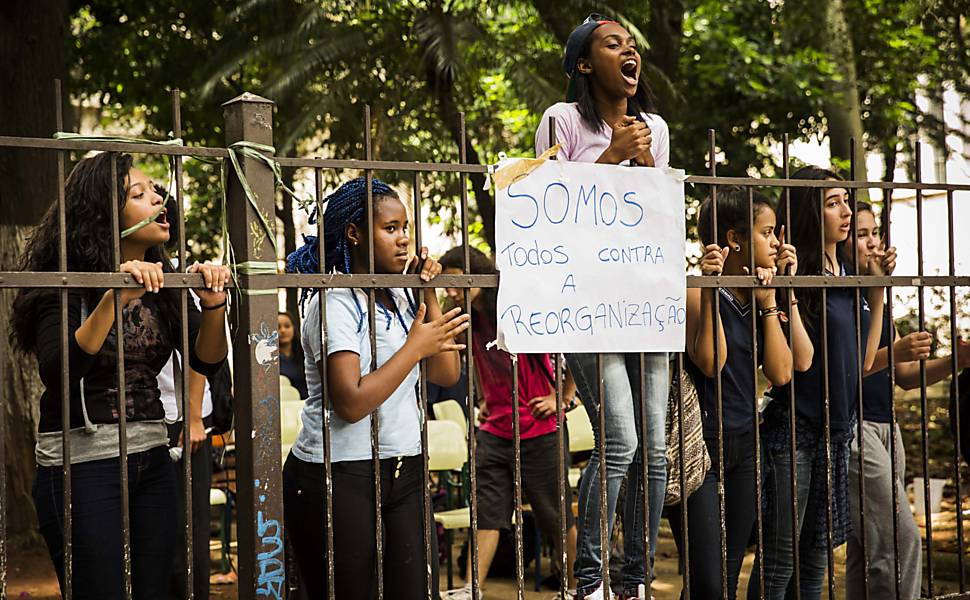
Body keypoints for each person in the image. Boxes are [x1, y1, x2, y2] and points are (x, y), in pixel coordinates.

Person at [10, 152, 230, 600]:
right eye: (139, 193)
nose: (158, 200)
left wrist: (213, 304)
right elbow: (59, 370)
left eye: (155, 191)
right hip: (82, 466)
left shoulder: (165, 280)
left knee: (156, 589)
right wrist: (115, 298)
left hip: (152, 458)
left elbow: (206, 360)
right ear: (103, 212)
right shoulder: (63, 279)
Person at [282, 177, 469, 599]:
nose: (404, 239)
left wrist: (429, 293)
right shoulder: (336, 301)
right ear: (355, 233)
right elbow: (350, 402)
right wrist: (413, 347)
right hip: (340, 469)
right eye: (391, 229)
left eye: (405, 227)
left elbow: (445, 373)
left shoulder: (403, 295)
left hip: (403, 463)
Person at [535, 13, 670, 600]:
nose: (628, 51)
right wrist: (612, 154)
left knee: (657, 449)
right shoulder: (562, 122)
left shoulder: (655, 129)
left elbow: (654, 218)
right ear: (586, 65)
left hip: (642, 302)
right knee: (621, 440)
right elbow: (549, 214)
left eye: (631, 45)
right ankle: (591, 579)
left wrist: (640, 163)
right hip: (585, 307)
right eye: (612, 44)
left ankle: (636, 580)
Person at [750, 166, 893, 600]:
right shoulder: (805, 271)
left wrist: (877, 293)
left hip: (835, 434)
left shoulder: (847, 270)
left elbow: (866, 361)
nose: (846, 211)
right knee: (778, 565)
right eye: (833, 203)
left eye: (845, 200)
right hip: (794, 434)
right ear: (814, 213)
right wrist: (790, 288)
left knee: (815, 565)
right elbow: (804, 361)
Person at [676, 187, 813, 599]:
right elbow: (710, 361)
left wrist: (773, 302)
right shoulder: (696, 293)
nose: (777, 243)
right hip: (700, 446)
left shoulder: (758, 294)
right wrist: (708, 284)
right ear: (735, 239)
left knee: (729, 570)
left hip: (744, 443)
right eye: (767, 232)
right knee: (708, 580)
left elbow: (786, 371)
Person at [439, 246, 580, 599]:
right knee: (487, 513)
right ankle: (473, 588)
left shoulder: (515, 306)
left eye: (457, 283)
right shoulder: (463, 318)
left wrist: (561, 398)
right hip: (495, 431)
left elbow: (572, 341)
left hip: (539, 428)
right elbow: (461, 361)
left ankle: (576, 586)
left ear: (479, 278)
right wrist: (484, 398)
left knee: (554, 516)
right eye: (447, 285)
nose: (451, 292)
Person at [845, 202, 970, 599]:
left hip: (887, 427)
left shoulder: (875, 297)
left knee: (870, 548)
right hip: (855, 425)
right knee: (902, 542)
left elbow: (903, 378)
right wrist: (895, 350)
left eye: (874, 232)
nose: (872, 243)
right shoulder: (839, 296)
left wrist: (956, 361)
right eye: (861, 234)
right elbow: (848, 367)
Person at [279, 310, 308, 398]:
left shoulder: (306, 355)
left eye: (287, 326)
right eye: (277, 327)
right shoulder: (269, 361)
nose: (283, 330)